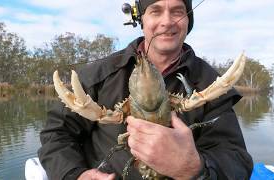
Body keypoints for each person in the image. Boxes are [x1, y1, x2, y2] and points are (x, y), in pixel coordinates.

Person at [38, 0, 253, 179]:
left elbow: (236, 159)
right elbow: (56, 133)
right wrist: (75, 174)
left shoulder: (210, 84)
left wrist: (195, 168)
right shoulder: (100, 74)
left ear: (188, 20)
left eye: (178, 11)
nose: (167, 22)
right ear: (142, 20)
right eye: (155, 11)